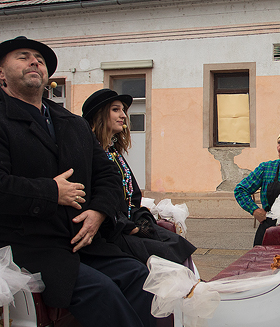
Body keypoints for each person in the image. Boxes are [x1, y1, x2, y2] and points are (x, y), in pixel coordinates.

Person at [0, 35, 180, 327]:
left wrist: (99, 213)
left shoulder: (71, 124)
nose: (34, 63)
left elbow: (107, 176)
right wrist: (49, 192)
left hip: (76, 239)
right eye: (22, 57)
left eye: (39, 59)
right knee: (101, 289)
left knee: (138, 275)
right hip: (20, 247)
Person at [81, 88, 197, 265]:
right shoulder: (87, 155)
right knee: (167, 252)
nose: (123, 116)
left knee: (178, 243)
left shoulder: (114, 154)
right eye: (115, 110)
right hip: (110, 233)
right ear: (99, 115)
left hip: (128, 225)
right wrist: (128, 226)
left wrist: (141, 220)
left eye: (123, 110)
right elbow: (97, 200)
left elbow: (132, 197)